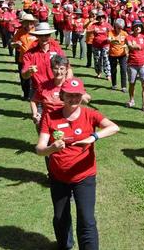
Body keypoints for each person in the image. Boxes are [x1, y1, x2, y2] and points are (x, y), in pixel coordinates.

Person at [36, 77, 119, 250]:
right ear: (62, 95)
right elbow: (39, 149)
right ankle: (65, 246)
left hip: (84, 176)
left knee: (87, 220)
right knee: (60, 219)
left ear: (82, 96)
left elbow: (113, 127)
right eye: (69, 95)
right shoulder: (50, 116)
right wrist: (52, 148)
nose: (73, 99)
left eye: (77, 95)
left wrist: (93, 137)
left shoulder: (90, 114)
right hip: (59, 177)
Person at [21, 22, 71, 97]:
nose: (44, 38)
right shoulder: (29, 54)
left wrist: (67, 85)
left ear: (50, 35)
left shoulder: (57, 51)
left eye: (46, 35)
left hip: (56, 90)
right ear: (37, 36)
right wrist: (29, 72)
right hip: (38, 91)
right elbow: (24, 75)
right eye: (41, 35)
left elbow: (69, 69)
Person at [126, 20, 144, 111]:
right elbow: (130, 46)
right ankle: (131, 100)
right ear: (133, 27)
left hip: (143, 64)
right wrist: (136, 46)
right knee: (132, 83)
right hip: (132, 64)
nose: (137, 27)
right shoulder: (129, 37)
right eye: (136, 26)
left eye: (139, 26)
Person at [89, 11, 113, 79]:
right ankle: (98, 72)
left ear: (104, 18)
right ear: (97, 18)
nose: (101, 18)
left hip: (105, 45)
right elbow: (88, 30)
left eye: (102, 17)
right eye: (99, 17)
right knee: (97, 59)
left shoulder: (107, 25)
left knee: (106, 59)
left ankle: (108, 74)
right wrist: (93, 31)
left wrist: (110, 37)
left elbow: (112, 33)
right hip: (96, 45)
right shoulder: (94, 25)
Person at [108, 19, 129, 92]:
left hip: (122, 54)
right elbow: (108, 39)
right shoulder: (111, 32)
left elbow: (128, 42)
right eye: (118, 28)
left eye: (121, 28)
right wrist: (111, 40)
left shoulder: (125, 33)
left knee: (123, 70)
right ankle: (114, 85)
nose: (120, 29)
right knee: (113, 70)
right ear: (115, 26)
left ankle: (124, 86)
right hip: (112, 54)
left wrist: (125, 45)